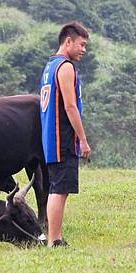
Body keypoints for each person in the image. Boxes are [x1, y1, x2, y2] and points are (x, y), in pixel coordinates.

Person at [39, 21, 92, 248]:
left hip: (50, 139)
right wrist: (83, 139)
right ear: (68, 41)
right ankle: (54, 240)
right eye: (81, 45)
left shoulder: (50, 66)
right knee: (59, 190)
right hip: (63, 138)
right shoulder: (66, 67)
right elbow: (70, 107)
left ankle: (54, 237)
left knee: (57, 189)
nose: (83, 50)